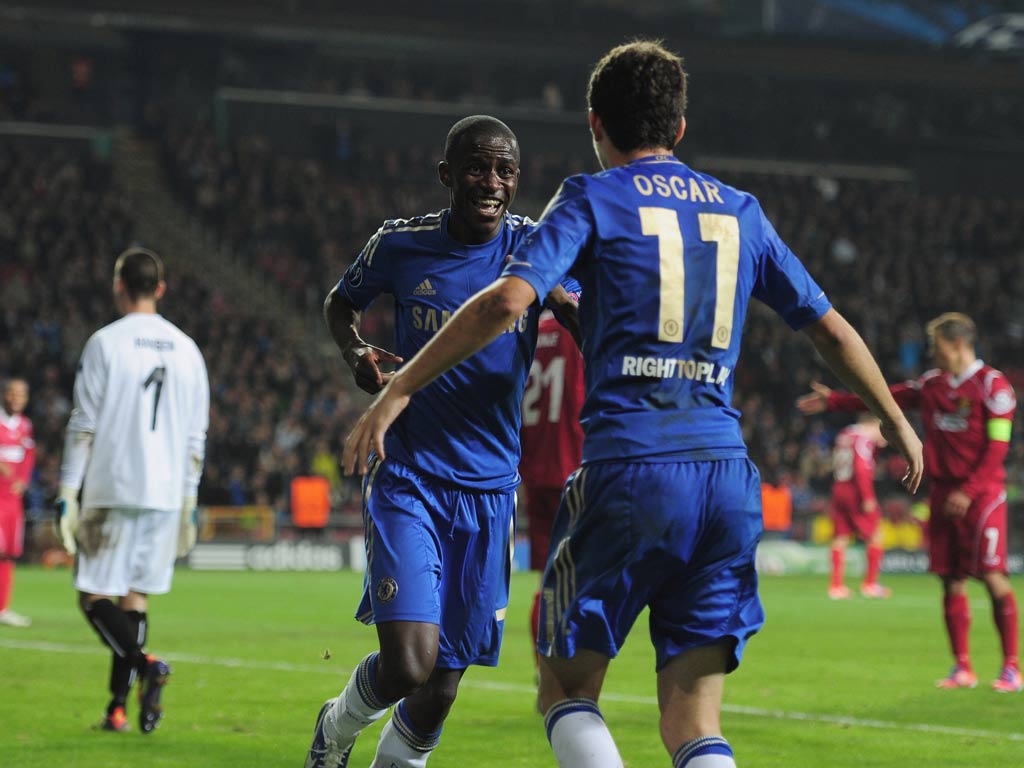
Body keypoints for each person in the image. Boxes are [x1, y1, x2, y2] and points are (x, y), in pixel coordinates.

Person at [342, 41, 923, 768]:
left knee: (564, 689)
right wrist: (897, 420)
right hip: (727, 480)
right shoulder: (741, 211)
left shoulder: (592, 197)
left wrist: (397, 389)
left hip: (632, 470)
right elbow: (830, 330)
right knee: (693, 721)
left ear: (596, 124)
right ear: (679, 127)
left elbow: (506, 302)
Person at [305, 115, 579, 768]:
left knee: (444, 683)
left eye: (505, 170)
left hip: (489, 492)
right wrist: (355, 354)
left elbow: (580, 314)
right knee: (409, 664)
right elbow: (340, 303)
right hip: (411, 479)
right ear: (446, 174)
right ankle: (334, 732)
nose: (492, 182)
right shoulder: (401, 244)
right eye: (478, 168)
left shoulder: (534, 249)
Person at [798, 312, 1020, 693]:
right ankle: (962, 668)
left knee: (992, 576)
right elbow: (890, 395)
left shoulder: (993, 387)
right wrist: (835, 401)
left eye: (935, 345)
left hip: (982, 496)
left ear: (957, 344)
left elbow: (997, 450)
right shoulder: (932, 385)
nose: (930, 352)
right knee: (950, 580)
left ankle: (1011, 668)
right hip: (942, 494)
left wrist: (968, 491)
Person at [55, 247, 210, 733]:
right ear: (160, 289)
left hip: (113, 486)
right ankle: (118, 708)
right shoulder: (188, 349)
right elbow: (195, 437)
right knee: (135, 597)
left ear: (119, 285)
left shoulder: (105, 343)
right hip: (165, 492)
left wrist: (68, 491)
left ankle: (146, 667)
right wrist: (189, 499)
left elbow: (84, 424)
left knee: (92, 596)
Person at [519, 311, 585, 660]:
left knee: (549, 581)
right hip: (574, 470)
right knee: (578, 581)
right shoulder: (577, 324)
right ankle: (565, 676)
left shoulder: (527, 327)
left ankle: (546, 673)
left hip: (534, 472)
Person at [826, 414, 891, 600]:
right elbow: (862, 467)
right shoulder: (863, 439)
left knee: (841, 536)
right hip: (856, 490)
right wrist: (867, 496)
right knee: (875, 535)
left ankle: (836, 586)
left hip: (839, 486)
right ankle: (870, 584)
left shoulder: (845, 434)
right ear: (874, 424)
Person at [0, 377, 35, 627]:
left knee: (8, 555)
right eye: (12, 393)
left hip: (13, 501)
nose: (16, 398)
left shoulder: (24, 425)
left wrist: (22, 479)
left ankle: (3, 607)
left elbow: (29, 455)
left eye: (21, 394)